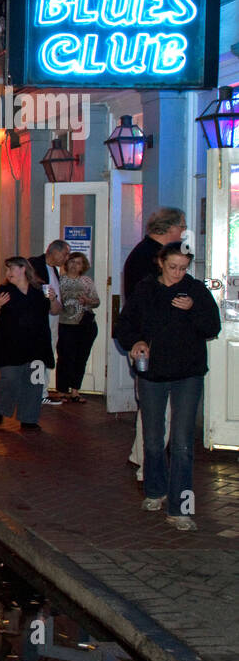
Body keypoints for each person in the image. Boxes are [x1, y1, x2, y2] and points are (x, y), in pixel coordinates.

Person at [116, 242, 220, 530]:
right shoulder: (145, 290)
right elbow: (125, 325)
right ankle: (154, 490)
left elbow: (212, 328)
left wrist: (194, 308)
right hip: (153, 375)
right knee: (152, 437)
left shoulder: (196, 290)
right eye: (173, 267)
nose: (178, 273)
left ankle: (180, 508)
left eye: (183, 268)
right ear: (160, 263)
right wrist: (135, 343)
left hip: (188, 373)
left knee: (183, 442)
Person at [122, 207, 188, 482]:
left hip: (149, 340)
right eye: (181, 226)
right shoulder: (147, 258)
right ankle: (149, 464)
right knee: (157, 405)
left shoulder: (144, 253)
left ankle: (142, 456)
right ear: (169, 228)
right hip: (148, 342)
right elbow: (145, 307)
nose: (183, 232)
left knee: (152, 405)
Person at [0, 257, 59, 431]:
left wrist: (53, 299)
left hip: (37, 345)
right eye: (7, 270)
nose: (8, 273)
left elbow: (56, 310)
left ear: (23, 269)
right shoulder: (3, 291)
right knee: (9, 379)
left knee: (35, 383)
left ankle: (29, 419)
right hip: (9, 345)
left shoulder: (40, 289)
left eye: (12, 269)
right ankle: (1, 409)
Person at [27, 239, 70, 405]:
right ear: (55, 251)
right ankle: (36, 392)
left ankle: (42, 391)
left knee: (46, 355)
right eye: (65, 254)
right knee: (38, 357)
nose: (66, 258)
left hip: (51, 321)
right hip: (40, 322)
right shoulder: (35, 265)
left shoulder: (53, 270)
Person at [56, 251, 100, 402]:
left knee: (81, 357)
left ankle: (75, 390)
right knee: (64, 357)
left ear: (83, 266)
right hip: (66, 323)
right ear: (67, 263)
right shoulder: (60, 280)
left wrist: (87, 300)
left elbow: (96, 301)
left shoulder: (87, 281)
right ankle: (62, 390)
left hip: (84, 324)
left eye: (79, 263)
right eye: (72, 262)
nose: (75, 265)